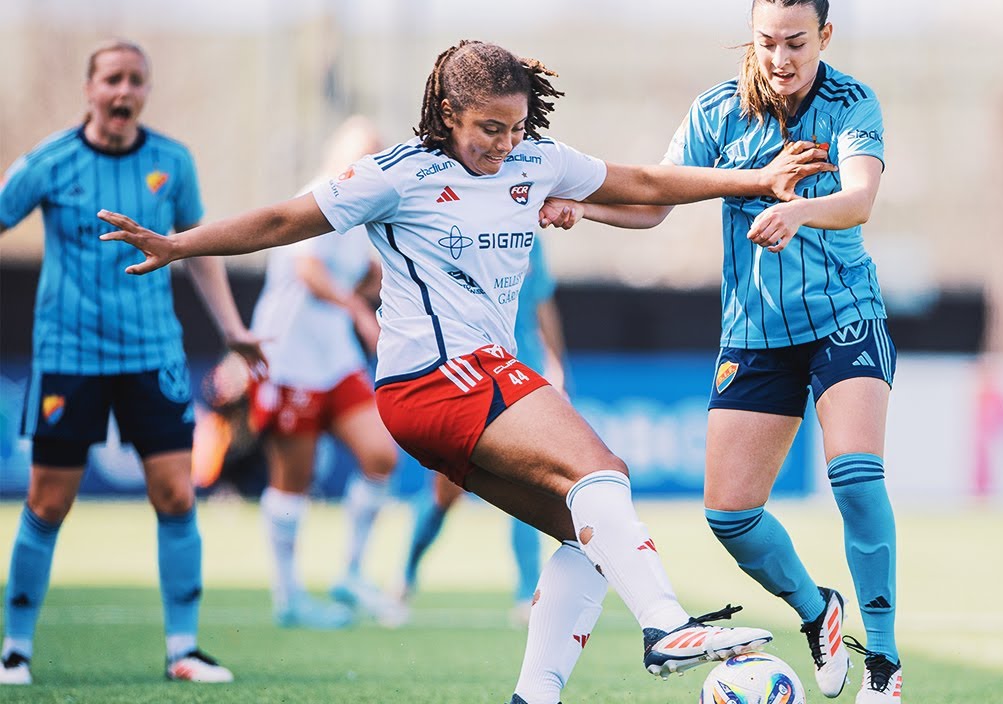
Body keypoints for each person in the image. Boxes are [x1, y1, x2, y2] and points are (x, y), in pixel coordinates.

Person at [98, 39, 834, 704]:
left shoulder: (537, 160)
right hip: (434, 376)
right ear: (448, 114)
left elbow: (644, 181)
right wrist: (182, 244)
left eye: (516, 127)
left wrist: (754, 180)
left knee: (590, 535)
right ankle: (667, 625)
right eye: (490, 128)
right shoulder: (399, 174)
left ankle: (534, 697)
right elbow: (286, 221)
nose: (505, 144)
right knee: (602, 473)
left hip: (471, 380)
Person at [541, 0, 903, 701]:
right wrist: (584, 207)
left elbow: (860, 199)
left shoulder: (852, 103)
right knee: (730, 515)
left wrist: (800, 212)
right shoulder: (717, 111)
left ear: (825, 37)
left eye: (796, 42)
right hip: (756, 332)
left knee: (856, 476)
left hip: (845, 317)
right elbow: (656, 200)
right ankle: (818, 610)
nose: (780, 57)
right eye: (767, 41)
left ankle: (884, 667)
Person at [0, 39, 261, 685]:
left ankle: (183, 651)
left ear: (146, 91)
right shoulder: (50, 161)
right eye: (113, 79)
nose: (124, 91)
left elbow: (197, 248)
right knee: (47, 502)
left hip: (152, 355)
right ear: (90, 89)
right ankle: (15, 651)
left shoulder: (172, 161)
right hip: (69, 358)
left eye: (136, 80)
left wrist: (233, 330)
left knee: (176, 494)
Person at [246, 116, 401, 629]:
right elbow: (307, 269)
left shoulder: (362, 215)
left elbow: (364, 274)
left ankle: (351, 573)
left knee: (381, 455)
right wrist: (357, 310)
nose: (369, 163)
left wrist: (382, 280)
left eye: (377, 155)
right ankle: (288, 594)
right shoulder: (317, 196)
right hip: (289, 356)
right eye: (362, 153)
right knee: (294, 479)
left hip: (333, 357)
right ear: (338, 156)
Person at [398, 233, 565, 627]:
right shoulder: (460, 226)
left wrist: (557, 364)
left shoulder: (529, 235)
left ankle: (527, 594)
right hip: (469, 372)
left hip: (523, 372)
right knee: (446, 490)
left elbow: (542, 304)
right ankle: (404, 576)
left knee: (529, 481)